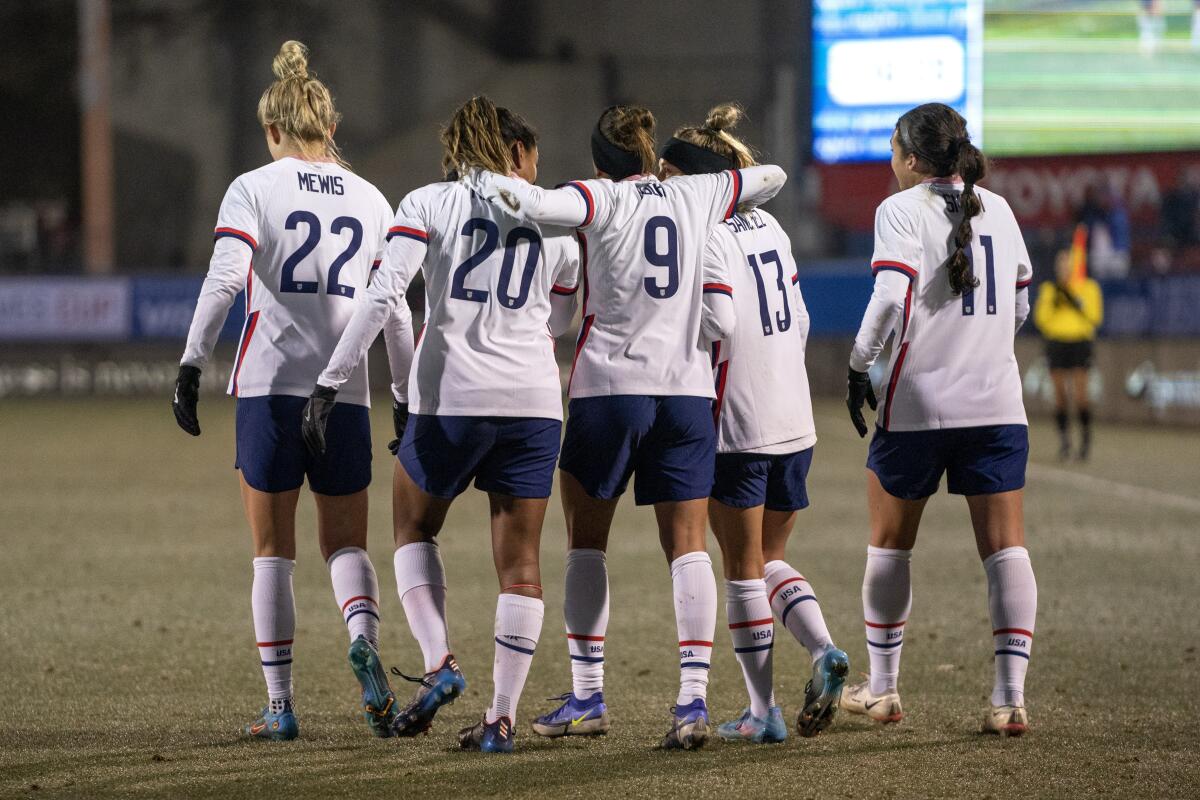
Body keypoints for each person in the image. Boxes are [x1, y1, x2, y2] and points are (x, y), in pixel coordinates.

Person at [472, 104, 787, 749]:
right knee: (690, 546)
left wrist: (488, 185)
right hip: (685, 396)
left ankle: (588, 695)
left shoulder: (600, 198)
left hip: (608, 392)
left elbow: (534, 208)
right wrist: (719, 184)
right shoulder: (695, 192)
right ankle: (692, 703)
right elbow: (771, 178)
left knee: (588, 543)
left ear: (598, 163)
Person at [301, 96, 581, 754]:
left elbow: (384, 293)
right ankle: (502, 719)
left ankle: (439, 662)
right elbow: (564, 318)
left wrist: (330, 381)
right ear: (515, 154)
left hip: (453, 396)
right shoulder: (557, 224)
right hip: (535, 401)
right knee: (521, 567)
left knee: (413, 523)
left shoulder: (427, 203)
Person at [171, 41, 411, 741]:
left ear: (272, 129)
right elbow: (394, 307)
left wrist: (191, 364)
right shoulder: (372, 197)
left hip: (272, 389)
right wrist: (403, 397)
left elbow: (224, 280)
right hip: (345, 394)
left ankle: (280, 707)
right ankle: (362, 638)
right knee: (347, 545)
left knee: (272, 552)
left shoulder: (254, 186)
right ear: (330, 127)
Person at [843, 102, 1038, 737]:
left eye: (892, 149)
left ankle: (884, 689)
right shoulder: (1001, 209)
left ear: (911, 157)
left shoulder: (899, 209)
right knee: (1005, 547)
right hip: (997, 404)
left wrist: (857, 364)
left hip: (918, 404)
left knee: (891, 544)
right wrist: (981, 349)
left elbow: (890, 297)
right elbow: (1020, 304)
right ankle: (1009, 700)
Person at [658, 104, 848, 744]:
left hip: (736, 420)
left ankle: (764, 712)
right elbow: (799, 317)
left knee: (741, 567)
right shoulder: (769, 225)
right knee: (770, 559)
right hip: (795, 418)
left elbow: (720, 322)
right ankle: (822, 650)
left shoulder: (705, 231)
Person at [1034, 250, 1104, 460]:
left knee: (1081, 396)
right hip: (1056, 343)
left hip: (1080, 343)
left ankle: (1085, 438)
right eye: (1061, 264)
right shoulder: (1049, 290)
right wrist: (1056, 300)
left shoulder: (1089, 288)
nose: (1064, 268)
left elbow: (1095, 317)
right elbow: (1041, 320)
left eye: (1068, 264)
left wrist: (1075, 300)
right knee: (1060, 395)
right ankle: (1065, 440)